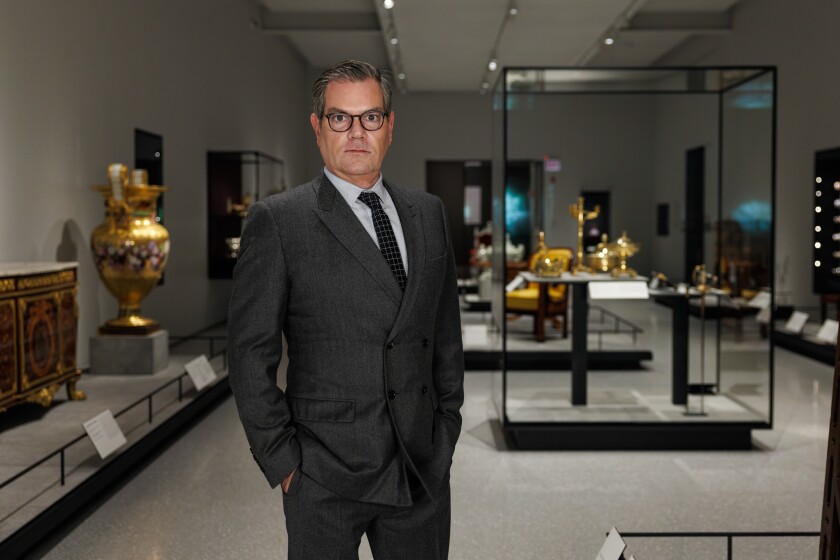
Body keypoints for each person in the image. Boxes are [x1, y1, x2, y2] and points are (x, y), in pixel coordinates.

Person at [227, 59, 464, 560]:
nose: (356, 132)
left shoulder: (427, 213)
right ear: (317, 127)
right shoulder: (279, 221)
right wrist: (285, 462)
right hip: (323, 472)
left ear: (390, 126)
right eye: (340, 118)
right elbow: (250, 353)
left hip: (420, 466)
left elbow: (445, 333)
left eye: (370, 117)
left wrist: (446, 428)